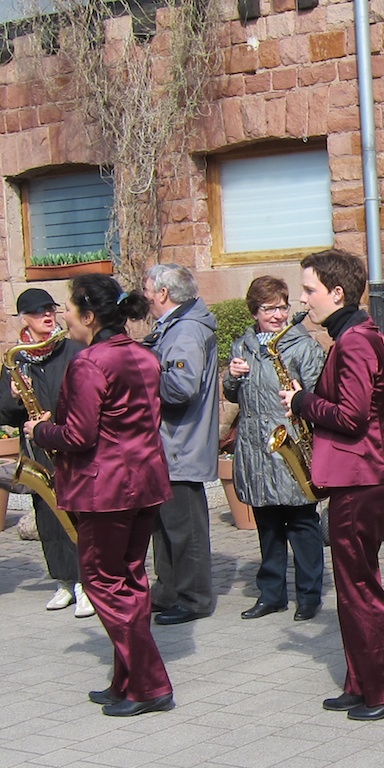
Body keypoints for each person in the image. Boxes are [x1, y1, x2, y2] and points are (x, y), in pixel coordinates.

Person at [25, 275, 174, 717]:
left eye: (69, 307)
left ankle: (148, 685)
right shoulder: (143, 355)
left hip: (105, 488)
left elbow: (79, 434)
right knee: (128, 579)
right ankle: (126, 679)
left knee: (103, 582)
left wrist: (40, 430)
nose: (64, 315)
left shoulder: (90, 362)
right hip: (143, 481)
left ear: (89, 316)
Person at [280, 249, 384, 721]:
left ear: (337, 293)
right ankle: (362, 681)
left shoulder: (355, 341)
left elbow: (351, 417)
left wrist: (302, 402)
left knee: (359, 585)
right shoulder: (356, 335)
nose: (303, 299)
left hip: (363, 474)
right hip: (364, 472)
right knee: (353, 583)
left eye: (310, 289)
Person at [223, 277, 326, 622]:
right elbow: (231, 394)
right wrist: (233, 377)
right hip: (257, 448)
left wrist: (302, 397)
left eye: (283, 306)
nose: (279, 315)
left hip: (291, 444)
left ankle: (309, 595)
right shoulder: (242, 346)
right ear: (255, 311)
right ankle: (271, 595)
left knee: (302, 524)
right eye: (270, 308)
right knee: (267, 525)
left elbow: (319, 395)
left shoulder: (303, 346)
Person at [0, 288, 93, 618]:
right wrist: (13, 397)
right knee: (48, 517)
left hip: (70, 442)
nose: (47, 316)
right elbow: (6, 416)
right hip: (39, 450)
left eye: (51, 310)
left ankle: (86, 583)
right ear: (24, 318)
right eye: (39, 312)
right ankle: (64, 581)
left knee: (78, 514)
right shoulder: (19, 359)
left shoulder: (73, 349)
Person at [142, 264, 219, 626]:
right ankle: (168, 590)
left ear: (162, 294)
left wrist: (142, 375)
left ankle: (194, 598)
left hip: (179, 445)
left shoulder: (186, 329)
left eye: (147, 290)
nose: (144, 296)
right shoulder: (175, 326)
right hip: (168, 445)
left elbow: (180, 387)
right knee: (165, 525)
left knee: (185, 529)